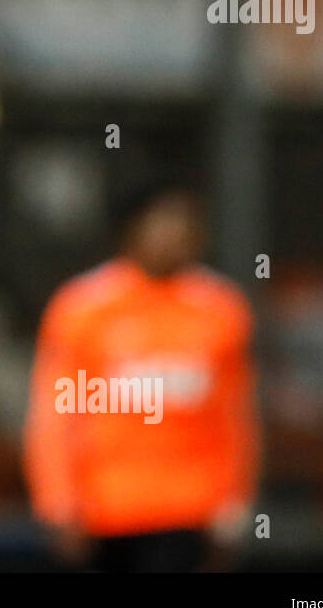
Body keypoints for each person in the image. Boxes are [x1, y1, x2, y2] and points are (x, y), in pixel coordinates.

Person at [23, 174, 261, 572]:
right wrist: (58, 503)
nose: (175, 234)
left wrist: (234, 505)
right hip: (101, 510)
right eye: (163, 221)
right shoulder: (82, 307)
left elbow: (236, 417)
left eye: (187, 223)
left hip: (186, 511)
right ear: (131, 228)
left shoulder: (222, 310)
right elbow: (55, 415)